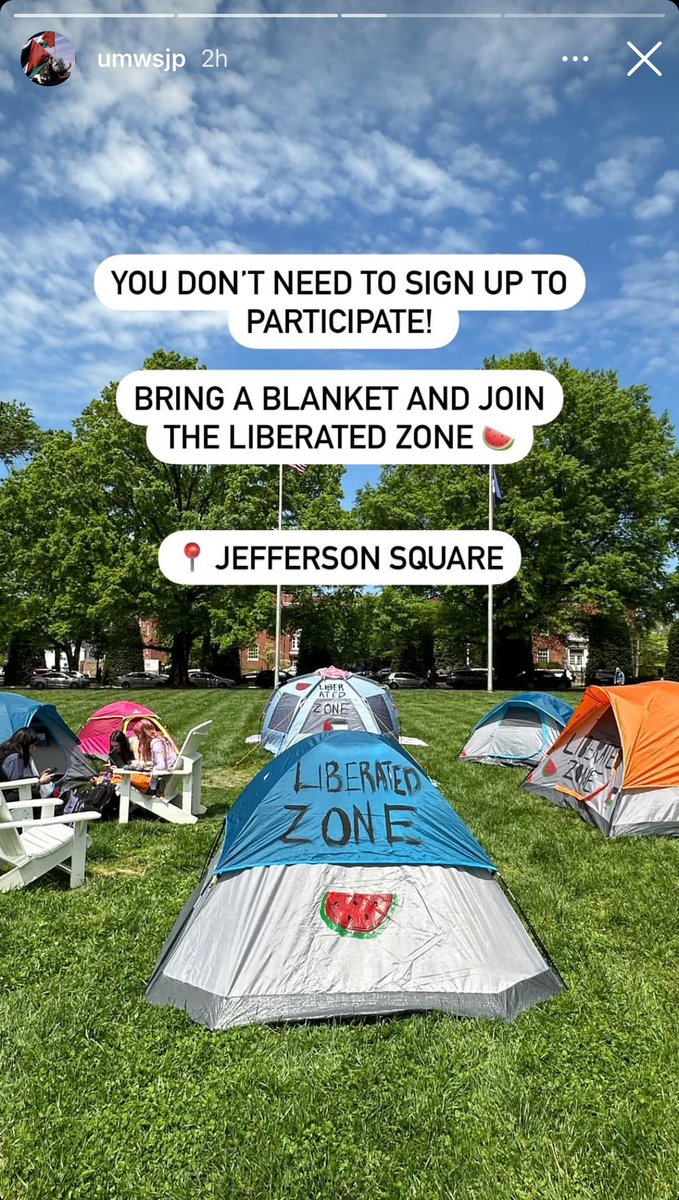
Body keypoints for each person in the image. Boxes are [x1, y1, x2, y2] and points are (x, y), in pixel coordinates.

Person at [0, 727, 56, 803]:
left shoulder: (5, 751)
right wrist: (39, 782)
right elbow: (17, 785)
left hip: (3, 793)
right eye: (33, 745)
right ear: (25, 744)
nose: (34, 748)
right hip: (5, 797)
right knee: (35, 794)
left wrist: (38, 777)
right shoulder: (14, 758)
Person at [132, 719, 177, 793]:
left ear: (143, 734)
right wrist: (148, 764)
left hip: (157, 786)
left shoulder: (156, 744)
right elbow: (165, 761)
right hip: (167, 780)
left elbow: (161, 766)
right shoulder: (163, 739)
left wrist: (150, 772)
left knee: (126, 779)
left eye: (138, 735)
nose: (137, 739)